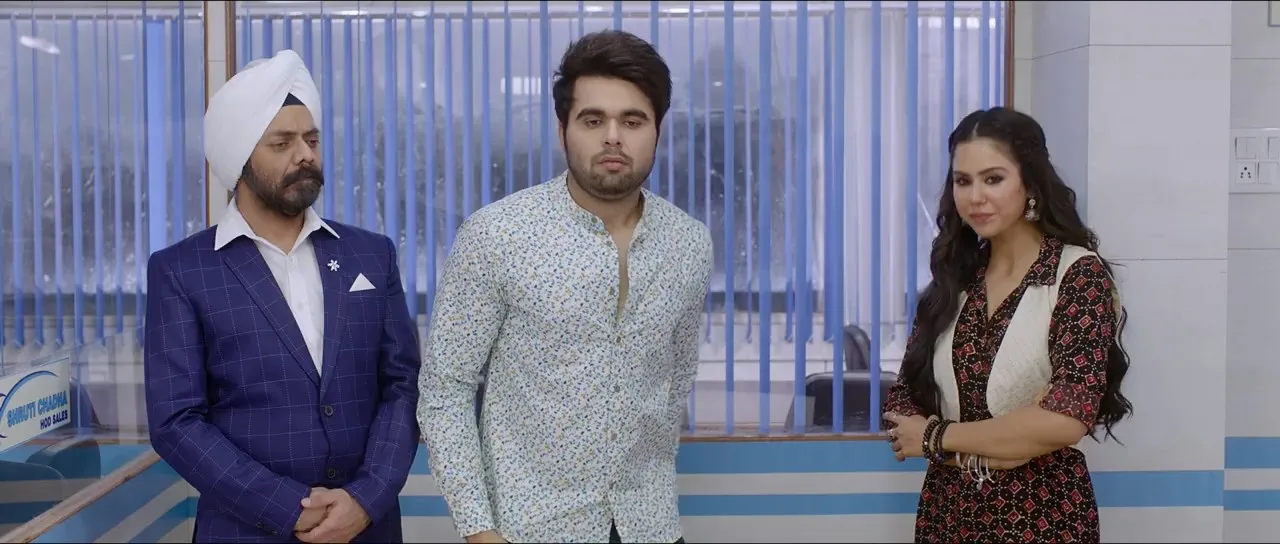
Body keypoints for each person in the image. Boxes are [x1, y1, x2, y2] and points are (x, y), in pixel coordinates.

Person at [417, 30, 712, 544]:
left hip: (651, 526)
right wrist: (479, 530)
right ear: (562, 131)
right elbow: (446, 389)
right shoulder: (498, 235)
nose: (613, 137)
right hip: (531, 529)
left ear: (658, 130)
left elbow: (675, 380)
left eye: (633, 121)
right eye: (593, 120)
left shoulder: (689, 244)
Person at [144, 49, 420, 543]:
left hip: (367, 527)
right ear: (240, 158)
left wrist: (366, 498)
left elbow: (402, 384)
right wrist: (290, 509)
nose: (305, 155)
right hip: (245, 531)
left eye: (311, 140)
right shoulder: (183, 271)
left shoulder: (370, 255)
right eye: (282, 143)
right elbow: (176, 422)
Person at [882, 107, 1133, 543]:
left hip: (1042, 516)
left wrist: (938, 437)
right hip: (949, 513)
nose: (975, 197)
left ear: (1030, 183)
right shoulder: (956, 280)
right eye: (963, 181)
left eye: (993, 179)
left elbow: (1066, 419)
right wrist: (1008, 444)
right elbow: (903, 413)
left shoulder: (1076, 275)